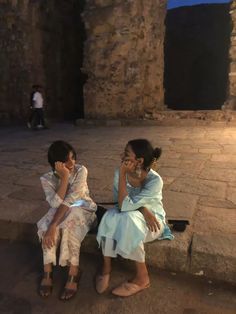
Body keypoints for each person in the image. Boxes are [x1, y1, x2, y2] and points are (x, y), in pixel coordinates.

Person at [96, 139, 174, 297]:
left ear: (139, 160)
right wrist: (143, 208)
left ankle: (142, 277)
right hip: (135, 214)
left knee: (128, 219)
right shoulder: (120, 172)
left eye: (126, 154)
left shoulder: (155, 180)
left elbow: (125, 206)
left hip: (152, 222)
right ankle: (106, 267)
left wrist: (143, 210)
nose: (121, 156)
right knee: (110, 216)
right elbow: (120, 205)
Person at [37, 140, 97, 300]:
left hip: (83, 207)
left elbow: (71, 200)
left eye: (73, 158)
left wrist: (54, 225)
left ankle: (73, 272)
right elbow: (55, 203)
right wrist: (64, 178)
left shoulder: (81, 170)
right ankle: (47, 271)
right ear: (55, 163)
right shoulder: (46, 179)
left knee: (68, 225)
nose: (72, 163)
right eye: (66, 160)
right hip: (60, 210)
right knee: (44, 226)